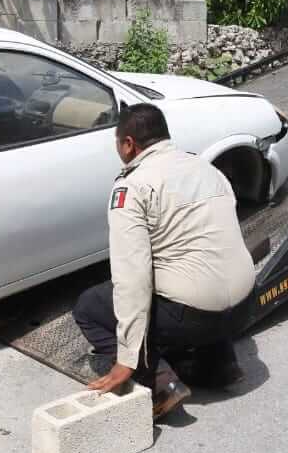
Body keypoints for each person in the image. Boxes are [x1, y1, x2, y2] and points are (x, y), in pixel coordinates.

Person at [72, 103, 255, 417]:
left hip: (195, 316)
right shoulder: (206, 168)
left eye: (117, 143)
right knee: (197, 274)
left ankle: (160, 384)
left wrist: (126, 359)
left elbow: (132, 278)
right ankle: (221, 365)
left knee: (90, 306)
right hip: (246, 305)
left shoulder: (132, 187)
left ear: (128, 144)